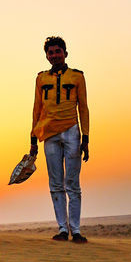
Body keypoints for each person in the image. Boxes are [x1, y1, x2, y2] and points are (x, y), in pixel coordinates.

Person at [30, 35, 90, 242]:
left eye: (58, 51)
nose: (54, 55)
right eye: (50, 52)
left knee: (72, 183)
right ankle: (62, 229)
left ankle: (77, 230)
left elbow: (83, 108)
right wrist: (32, 139)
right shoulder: (41, 78)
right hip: (49, 134)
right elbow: (37, 109)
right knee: (55, 183)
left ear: (65, 53)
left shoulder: (77, 77)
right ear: (46, 56)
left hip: (72, 130)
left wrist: (86, 138)